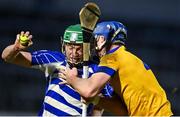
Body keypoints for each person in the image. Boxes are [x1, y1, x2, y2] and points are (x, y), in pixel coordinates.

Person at [1, 24, 119, 116]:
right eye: (70, 47)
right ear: (64, 45)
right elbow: (7, 57)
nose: (74, 53)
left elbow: (109, 103)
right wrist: (16, 48)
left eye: (79, 48)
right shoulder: (54, 59)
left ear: (88, 48)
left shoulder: (98, 71)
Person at [60, 21, 173, 116]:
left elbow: (89, 90)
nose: (93, 46)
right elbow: (123, 111)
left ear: (103, 39)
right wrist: (96, 100)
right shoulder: (128, 58)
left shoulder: (112, 58)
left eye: (95, 40)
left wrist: (72, 79)